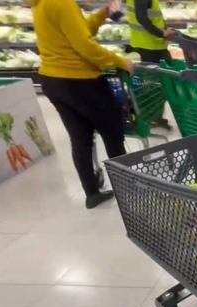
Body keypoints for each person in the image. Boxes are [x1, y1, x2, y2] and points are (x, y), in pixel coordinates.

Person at [33, 0, 133, 209]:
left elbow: (77, 32)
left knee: (80, 137)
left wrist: (101, 15)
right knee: (112, 131)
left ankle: (92, 193)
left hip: (52, 79)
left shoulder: (42, 3)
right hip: (79, 79)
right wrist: (119, 60)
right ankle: (127, 187)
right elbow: (84, 45)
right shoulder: (63, 3)